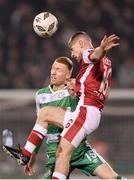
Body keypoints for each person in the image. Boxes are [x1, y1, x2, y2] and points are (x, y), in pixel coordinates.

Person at [3, 32, 123, 179]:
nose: (72, 54)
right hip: (88, 111)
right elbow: (101, 88)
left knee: (62, 152)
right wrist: (79, 85)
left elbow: (94, 55)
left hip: (85, 112)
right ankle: (26, 154)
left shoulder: (89, 53)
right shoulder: (107, 62)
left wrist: (102, 47)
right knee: (46, 113)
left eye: (72, 49)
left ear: (80, 44)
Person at [23, 56, 113, 179]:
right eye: (53, 68)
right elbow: (39, 125)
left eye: (58, 69)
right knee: (44, 115)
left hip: (78, 148)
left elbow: (81, 116)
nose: (53, 72)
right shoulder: (40, 94)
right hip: (54, 151)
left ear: (68, 74)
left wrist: (73, 96)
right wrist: (34, 154)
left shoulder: (76, 88)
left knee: (112, 177)